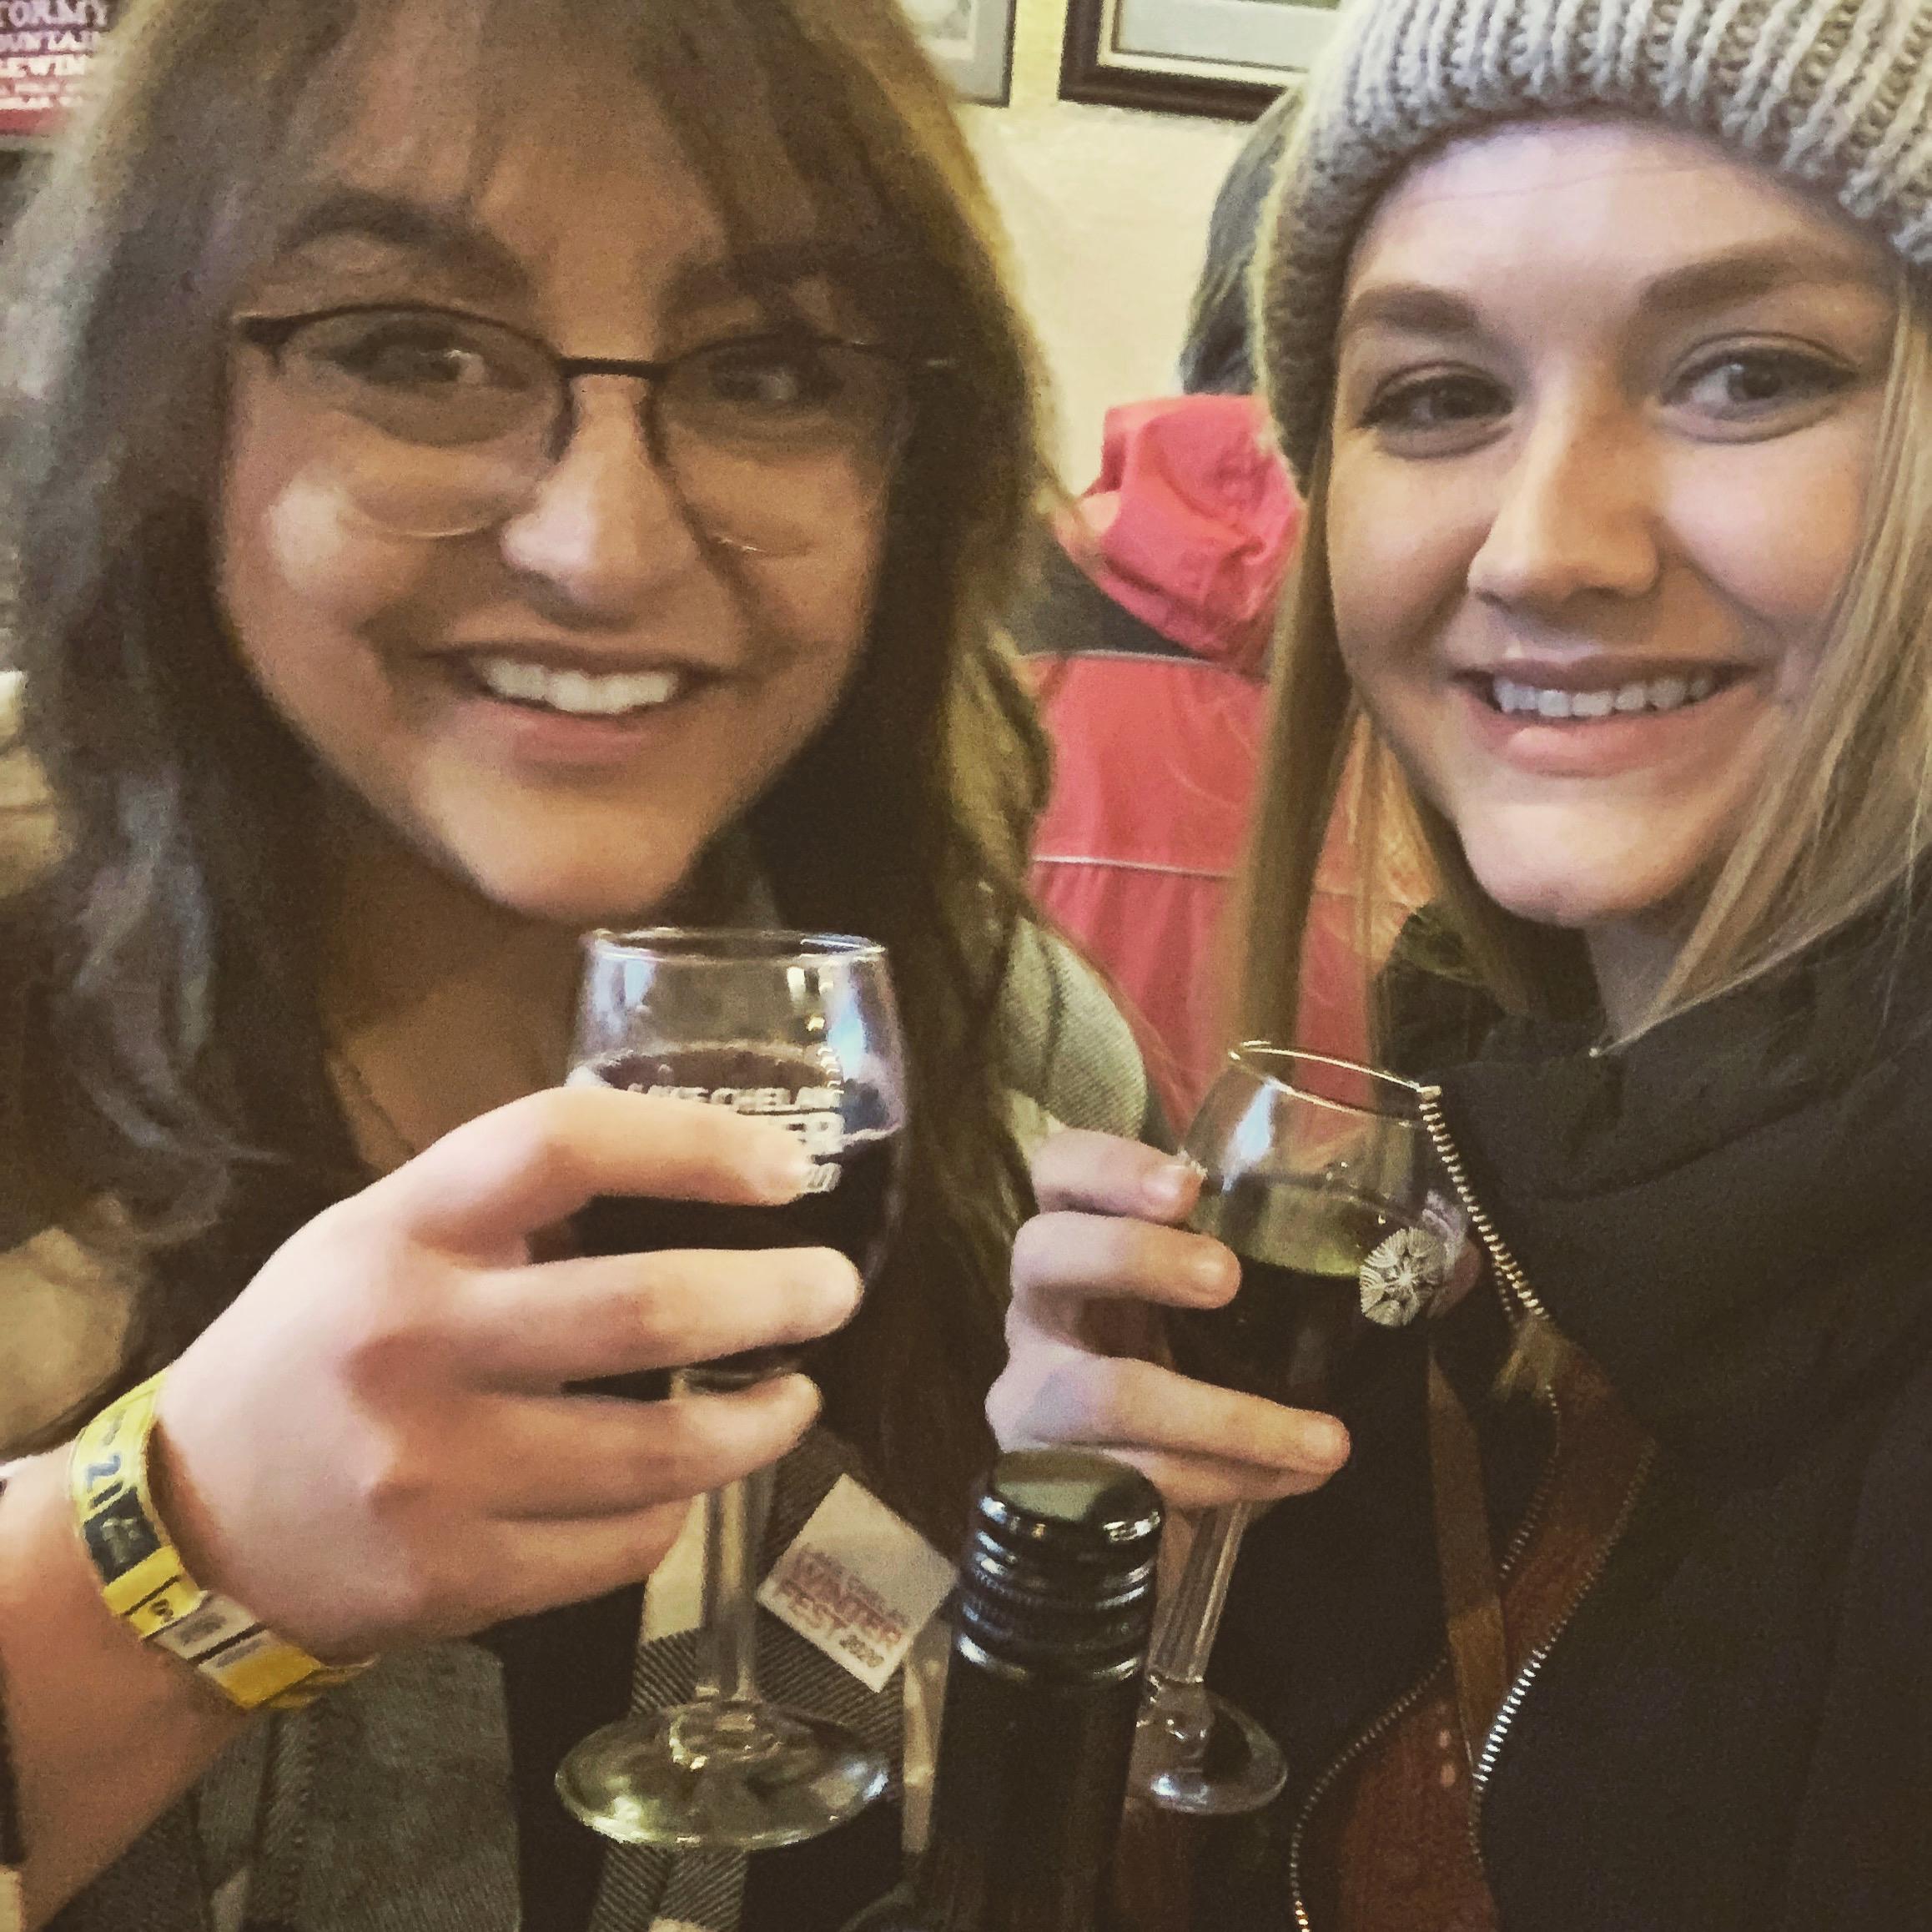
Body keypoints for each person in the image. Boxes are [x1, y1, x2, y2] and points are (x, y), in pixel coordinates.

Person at [0, 3, 1152, 1929]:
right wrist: (168, 1561)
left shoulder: (1014, 1065)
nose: (600, 546)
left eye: (771, 372)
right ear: (172, 414)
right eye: (414, 352)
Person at [992, 0, 1932, 1924]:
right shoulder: (1456, 1156)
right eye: (1434, 396)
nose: (1541, 549)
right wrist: (1117, 1614)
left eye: (1749, 375)